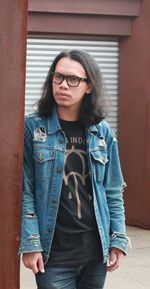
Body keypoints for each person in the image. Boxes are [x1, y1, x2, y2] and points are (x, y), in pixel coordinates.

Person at [19, 49, 129, 289]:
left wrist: (117, 239)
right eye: (58, 77)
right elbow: (25, 191)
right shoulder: (34, 129)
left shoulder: (102, 133)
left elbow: (112, 191)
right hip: (53, 255)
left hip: (95, 253)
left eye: (73, 79)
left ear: (88, 86)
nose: (63, 85)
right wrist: (31, 242)